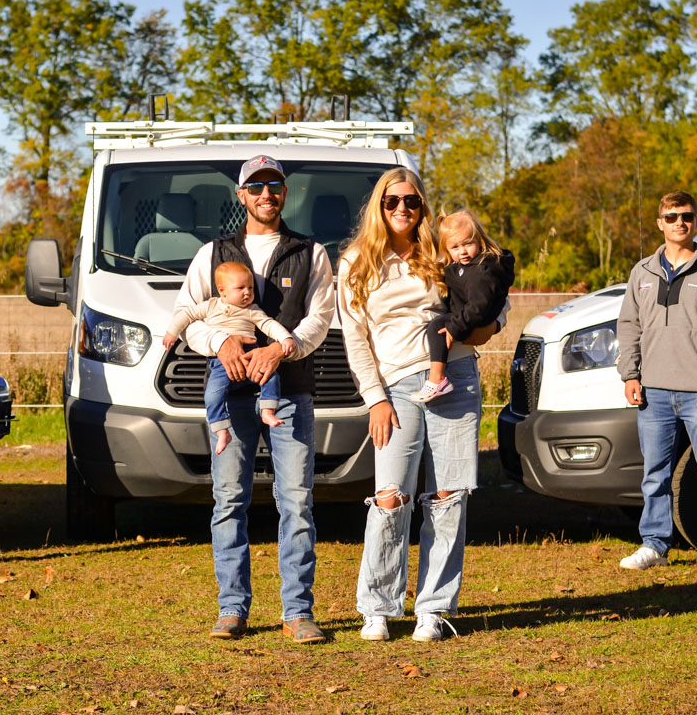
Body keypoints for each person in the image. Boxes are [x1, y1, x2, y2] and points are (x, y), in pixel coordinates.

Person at [172, 154, 336, 644]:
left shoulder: (312, 253)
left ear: (285, 193)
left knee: (297, 503)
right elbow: (187, 312)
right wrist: (218, 344)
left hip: (289, 393)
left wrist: (280, 348)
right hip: (230, 399)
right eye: (256, 186)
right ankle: (232, 609)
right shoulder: (213, 254)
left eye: (275, 185)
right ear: (240, 195)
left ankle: (298, 612)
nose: (267, 194)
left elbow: (319, 318)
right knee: (229, 501)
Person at [338, 168, 497, 643]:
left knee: (448, 497)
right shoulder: (355, 262)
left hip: (457, 377)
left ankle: (434, 608)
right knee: (390, 497)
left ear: (422, 205)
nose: (402, 209)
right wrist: (375, 399)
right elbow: (355, 338)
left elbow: (490, 302)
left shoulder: (441, 250)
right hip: (395, 389)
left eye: (411, 201)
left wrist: (479, 331)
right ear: (378, 207)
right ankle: (378, 607)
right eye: (392, 202)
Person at [616, 191, 697, 573]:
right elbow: (629, 326)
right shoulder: (642, 272)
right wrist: (631, 374)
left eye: (686, 216)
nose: (679, 223)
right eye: (671, 216)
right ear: (660, 223)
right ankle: (654, 544)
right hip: (652, 392)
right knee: (654, 474)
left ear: (696, 221)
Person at [164, 260, 298, 455]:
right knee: (212, 395)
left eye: (250, 287)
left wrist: (285, 338)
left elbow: (268, 324)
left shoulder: (252, 310)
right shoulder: (210, 306)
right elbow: (186, 315)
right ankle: (221, 431)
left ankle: (267, 411)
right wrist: (172, 333)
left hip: (250, 356)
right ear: (222, 291)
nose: (247, 292)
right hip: (221, 363)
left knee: (271, 376)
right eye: (240, 288)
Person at [412, 210, 514, 403]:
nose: (463, 251)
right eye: (455, 247)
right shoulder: (463, 266)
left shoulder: (481, 270)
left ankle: (437, 379)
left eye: (468, 244)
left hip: (474, 319)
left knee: (437, 328)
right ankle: (438, 378)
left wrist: (455, 326)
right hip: (469, 315)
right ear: (447, 249)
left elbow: (479, 306)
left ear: (479, 241)